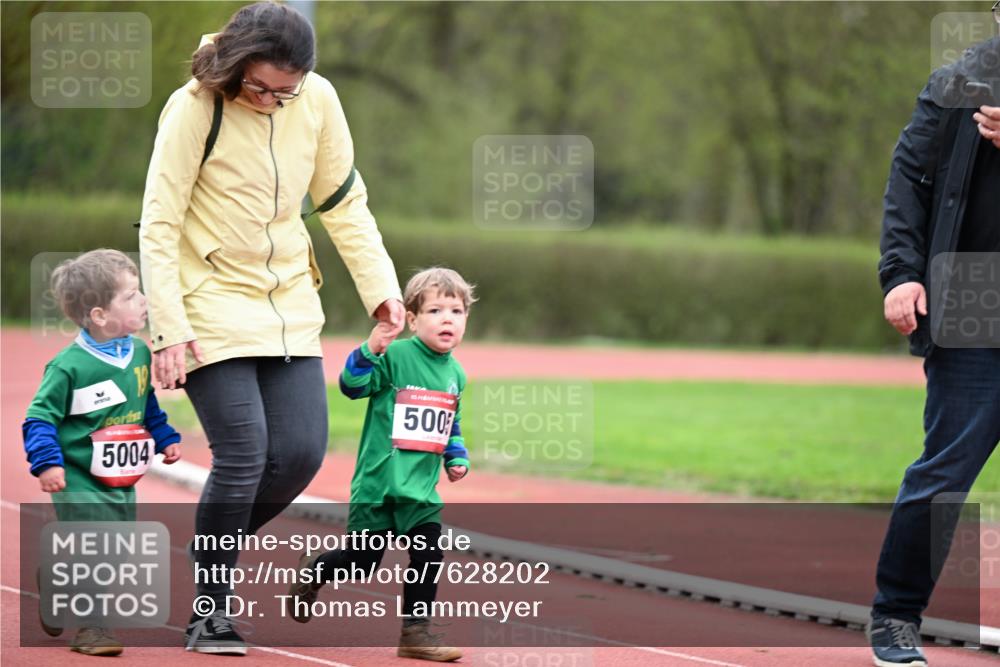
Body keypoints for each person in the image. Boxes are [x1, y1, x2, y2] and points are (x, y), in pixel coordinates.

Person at [137, 1, 404, 654]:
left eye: (288, 91)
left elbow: (344, 204)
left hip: (288, 305)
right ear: (235, 64)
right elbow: (160, 220)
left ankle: (207, 555)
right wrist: (168, 328)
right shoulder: (194, 107)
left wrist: (383, 291)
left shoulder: (317, 101)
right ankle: (212, 609)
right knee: (245, 451)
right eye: (262, 88)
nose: (276, 101)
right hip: (208, 305)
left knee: (300, 455)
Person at [871, 30, 1000, 667]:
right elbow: (907, 179)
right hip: (975, 304)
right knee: (946, 474)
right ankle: (895, 617)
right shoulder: (958, 83)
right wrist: (901, 273)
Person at [285, 267, 475, 662]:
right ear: (412, 318)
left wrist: (456, 455)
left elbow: (449, 423)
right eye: (436, 310)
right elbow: (351, 386)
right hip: (379, 483)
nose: (447, 319)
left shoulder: (456, 373)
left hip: (420, 490)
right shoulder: (397, 355)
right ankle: (315, 569)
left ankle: (415, 633)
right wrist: (369, 349)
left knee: (429, 552)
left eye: (456, 312)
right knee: (362, 562)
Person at [22, 249, 183, 656]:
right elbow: (39, 417)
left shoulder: (141, 354)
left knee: (119, 549)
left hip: (119, 477)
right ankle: (92, 629)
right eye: (131, 296)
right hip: (76, 476)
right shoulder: (69, 366)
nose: (144, 300)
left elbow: (146, 405)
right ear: (98, 315)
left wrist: (164, 437)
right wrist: (47, 463)